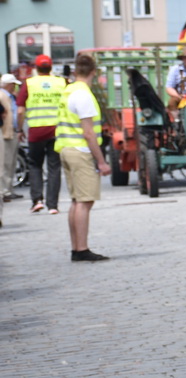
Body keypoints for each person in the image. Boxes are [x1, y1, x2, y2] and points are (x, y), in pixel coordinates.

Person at [57, 52, 112, 261]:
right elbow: (89, 133)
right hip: (80, 152)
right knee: (85, 202)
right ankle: (81, 249)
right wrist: (101, 161)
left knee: (76, 201)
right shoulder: (84, 95)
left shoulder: (68, 91)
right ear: (94, 72)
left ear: (75, 71)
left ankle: (76, 247)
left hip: (66, 148)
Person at [21, 54, 65, 214]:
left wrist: (19, 129)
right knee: (54, 167)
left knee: (35, 165)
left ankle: (37, 200)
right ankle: (53, 206)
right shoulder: (61, 82)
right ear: (51, 67)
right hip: (57, 131)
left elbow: (20, 110)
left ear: (36, 68)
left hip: (36, 132)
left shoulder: (29, 84)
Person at [0, 73, 18, 206]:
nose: (15, 87)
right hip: (6, 132)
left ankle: (8, 189)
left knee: (11, 162)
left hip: (11, 131)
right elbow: (5, 113)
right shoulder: (2, 95)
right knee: (5, 163)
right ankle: (5, 190)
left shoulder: (9, 95)